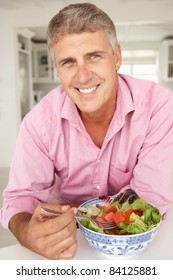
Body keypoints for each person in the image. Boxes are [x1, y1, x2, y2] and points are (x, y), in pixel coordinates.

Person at [1, 2, 173, 260]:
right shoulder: (39, 122)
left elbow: (147, 203)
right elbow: (20, 198)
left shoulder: (159, 108)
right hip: (66, 239)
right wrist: (27, 231)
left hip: (136, 245)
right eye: (68, 62)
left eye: (94, 56)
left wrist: (72, 211)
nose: (82, 77)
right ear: (58, 68)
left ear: (116, 57)